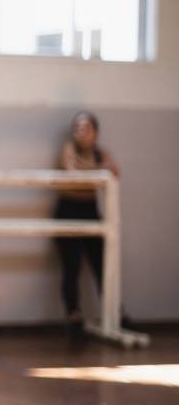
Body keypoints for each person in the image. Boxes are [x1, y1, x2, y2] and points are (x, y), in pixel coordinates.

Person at [54, 111, 120, 341]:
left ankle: (114, 315)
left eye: (86, 128)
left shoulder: (100, 153)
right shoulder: (68, 149)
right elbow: (72, 175)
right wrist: (95, 176)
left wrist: (98, 171)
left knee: (102, 264)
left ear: (95, 132)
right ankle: (73, 316)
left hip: (90, 210)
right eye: (77, 128)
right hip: (67, 209)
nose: (80, 133)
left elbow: (114, 173)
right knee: (71, 266)